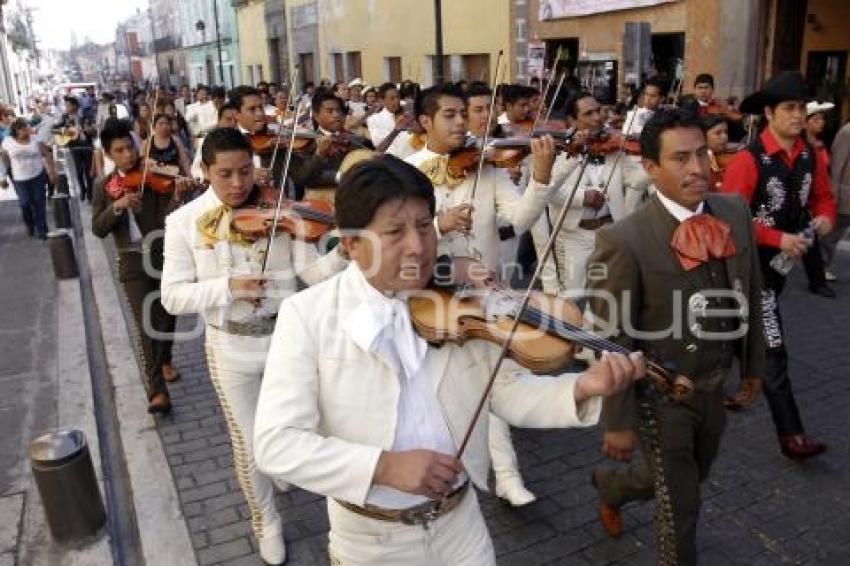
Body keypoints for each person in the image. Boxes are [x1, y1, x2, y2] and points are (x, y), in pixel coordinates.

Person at [253, 153, 645, 566]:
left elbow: (505, 392)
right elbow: (276, 443)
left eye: (425, 226)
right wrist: (382, 467)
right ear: (351, 245)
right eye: (394, 232)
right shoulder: (308, 315)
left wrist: (581, 387)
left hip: (461, 528)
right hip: (370, 542)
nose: (419, 247)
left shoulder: (458, 303)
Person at [160, 127, 348, 565]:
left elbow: (314, 275)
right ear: (204, 171)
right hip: (230, 346)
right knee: (248, 443)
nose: (238, 183)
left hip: (286, 342)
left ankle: (290, 476)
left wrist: (345, 252)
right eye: (225, 174)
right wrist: (227, 287)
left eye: (246, 171)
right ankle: (267, 522)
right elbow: (172, 296)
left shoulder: (278, 210)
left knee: (302, 428)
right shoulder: (183, 223)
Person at [589, 108, 765, 564]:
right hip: (660, 395)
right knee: (680, 508)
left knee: (689, 476)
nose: (697, 168)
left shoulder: (734, 210)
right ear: (650, 168)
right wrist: (619, 419)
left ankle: (613, 485)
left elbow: (753, 288)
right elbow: (612, 336)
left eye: (702, 154)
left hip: (715, 385)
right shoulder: (623, 238)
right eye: (680, 158)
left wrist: (753, 366)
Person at [722, 70, 836, 459]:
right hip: (747, 268)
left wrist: (823, 220)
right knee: (773, 346)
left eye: (802, 108)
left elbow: (823, 199)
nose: (798, 115)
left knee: (736, 329)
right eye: (789, 108)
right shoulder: (748, 160)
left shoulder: (810, 155)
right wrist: (778, 238)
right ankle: (792, 436)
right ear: (769, 113)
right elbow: (729, 221)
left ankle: (738, 384)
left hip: (781, 267)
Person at [91, 120, 191, 413]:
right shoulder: (105, 187)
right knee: (146, 327)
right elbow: (97, 228)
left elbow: (167, 221)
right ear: (110, 155)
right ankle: (156, 390)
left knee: (167, 316)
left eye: (130, 147)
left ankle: (166, 358)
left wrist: (177, 196)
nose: (128, 155)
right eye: (119, 150)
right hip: (132, 260)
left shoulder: (153, 177)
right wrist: (118, 206)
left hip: (162, 256)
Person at [541, 91, 649, 295]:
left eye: (598, 111)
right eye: (589, 114)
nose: (598, 117)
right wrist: (583, 197)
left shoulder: (613, 147)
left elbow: (636, 180)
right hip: (575, 235)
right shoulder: (558, 150)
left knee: (610, 292)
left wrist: (655, 165)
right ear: (572, 120)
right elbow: (549, 191)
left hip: (609, 232)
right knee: (573, 294)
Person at [0, 118, 57, 239]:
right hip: (19, 178)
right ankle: (29, 223)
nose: (26, 131)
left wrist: (51, 171)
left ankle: (42, 229)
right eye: (23, 129)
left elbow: (47, 154)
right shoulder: (8, 142)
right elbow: (4, 160)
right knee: (25, 203)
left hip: (37, 175)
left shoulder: (36, 139)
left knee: (39, 202)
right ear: (16, 131)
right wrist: (3, 176)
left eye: (27, 128)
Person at [53, 96, 96, 201]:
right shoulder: (65, 117)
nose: (66, 107)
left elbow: (94, 131)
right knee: (79, 170)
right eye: (65, 105)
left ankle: (90, 192)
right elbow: (54, 129)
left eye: (68, 105)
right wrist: (65, 131)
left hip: (87, 146)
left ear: (75, 106)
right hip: (75, 147)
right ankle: (83, 189)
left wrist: (89, 130)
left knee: (88, 170)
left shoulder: (86, 116)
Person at [823, 119, 850, 281]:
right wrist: (833, 194)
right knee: (832, 233)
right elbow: (837, 165)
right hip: (844, 192)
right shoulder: (847, 132)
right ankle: (822, 264)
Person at [191, 102, 239, 181]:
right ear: (219, 121)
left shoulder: (244, 140)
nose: (233, 123)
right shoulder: (207, 141)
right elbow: (195, 170)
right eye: (228, 119)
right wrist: (207, 177)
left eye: (236, 120)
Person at [367, 82, 413, 157]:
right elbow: (380, 148)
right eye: (392, 98)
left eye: (398, 97)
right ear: (382, 101)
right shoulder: (374, 120)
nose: (396, 101)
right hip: (392, 163)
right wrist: (396, 130)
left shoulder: (408, 114)